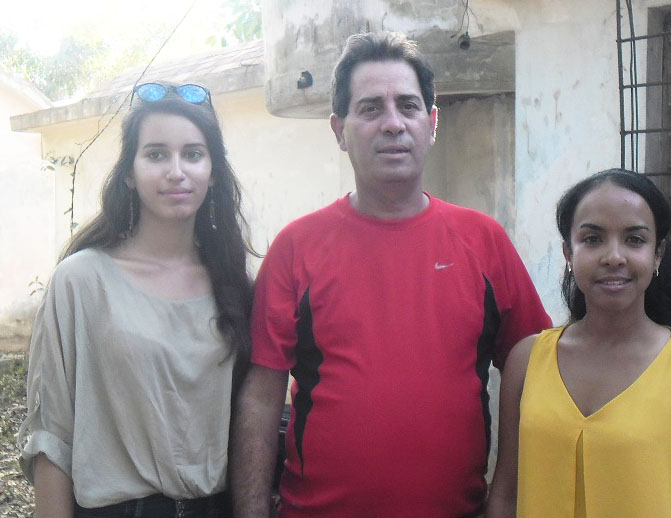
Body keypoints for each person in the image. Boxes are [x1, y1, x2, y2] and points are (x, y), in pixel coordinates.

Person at [231, 31, 551, 518]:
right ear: (339, 130)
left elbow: (535, 370)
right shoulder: (297, 248)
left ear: (432, 123)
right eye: (370, 109)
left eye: (408, 106)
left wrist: (505, 497)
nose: (393, 124)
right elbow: (261, 398)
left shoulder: (483, 242)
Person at [18, 82, 255, 518]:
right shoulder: (82, 281)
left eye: (193, 154)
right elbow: (52, 437)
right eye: (156, 154)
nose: (176, 171)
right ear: (129, 172)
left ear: (213, 172)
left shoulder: (234, 286)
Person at [486, 168, 671, 518]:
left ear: (658, 254)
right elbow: (505, 496)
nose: (614, 257)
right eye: (593, 239)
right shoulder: (527, 361)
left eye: (634, 240)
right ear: (568, 253)